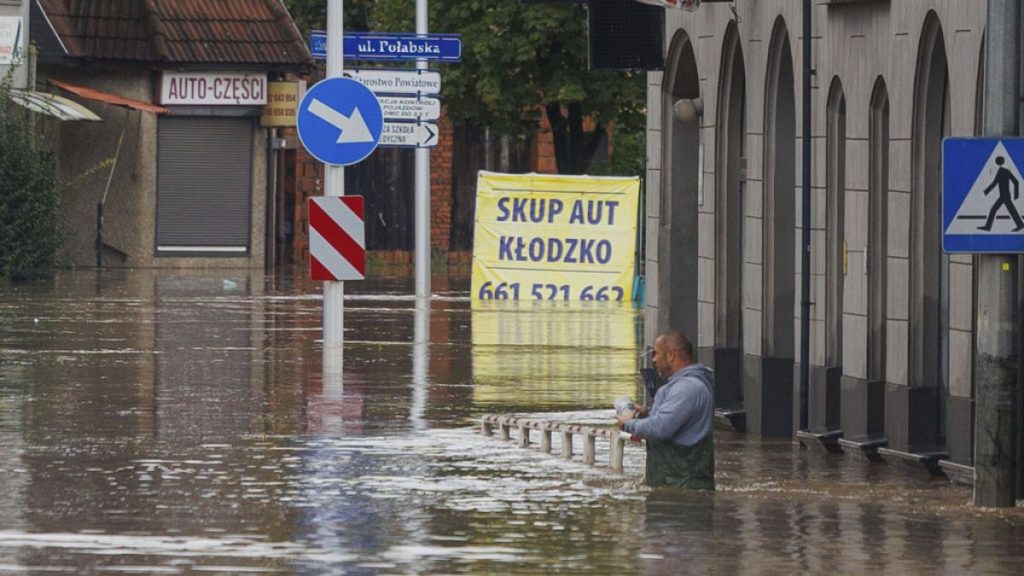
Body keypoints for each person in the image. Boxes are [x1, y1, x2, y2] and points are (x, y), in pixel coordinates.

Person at [615, 330, 715, 490]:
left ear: (670, 354)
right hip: (675, 488)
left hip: (683, 493)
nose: (653, 359)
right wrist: (647, 413)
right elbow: (675, 422)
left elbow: (660, 428)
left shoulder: (686, 388)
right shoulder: (684, 386)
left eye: (656, 353)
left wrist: (628, 424)